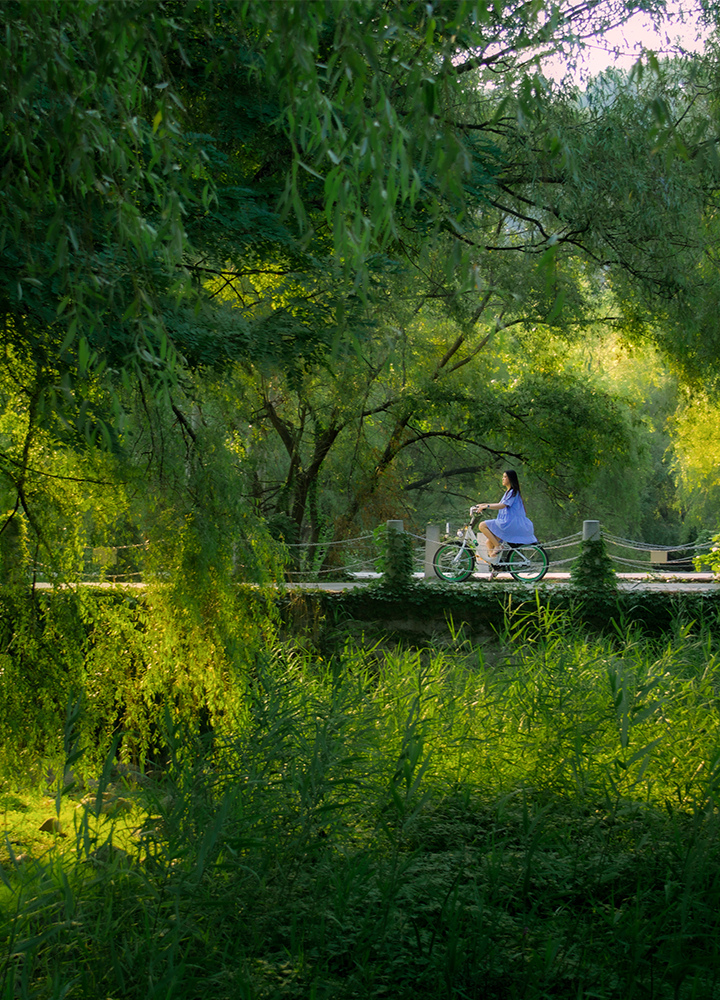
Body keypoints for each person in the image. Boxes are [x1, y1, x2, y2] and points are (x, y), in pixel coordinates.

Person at [472, 470, 537, 561]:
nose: (503, 479)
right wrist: (482, 505)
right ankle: (495, 566)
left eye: (505, 477)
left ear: (510, 479)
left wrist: (486, 506)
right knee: (489, 543)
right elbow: (499, 503)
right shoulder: (508, 492)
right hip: (507, 523)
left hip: (509, 523)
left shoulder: (513, 492)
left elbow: (502, 506)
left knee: (482, 525)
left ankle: (498, 546)